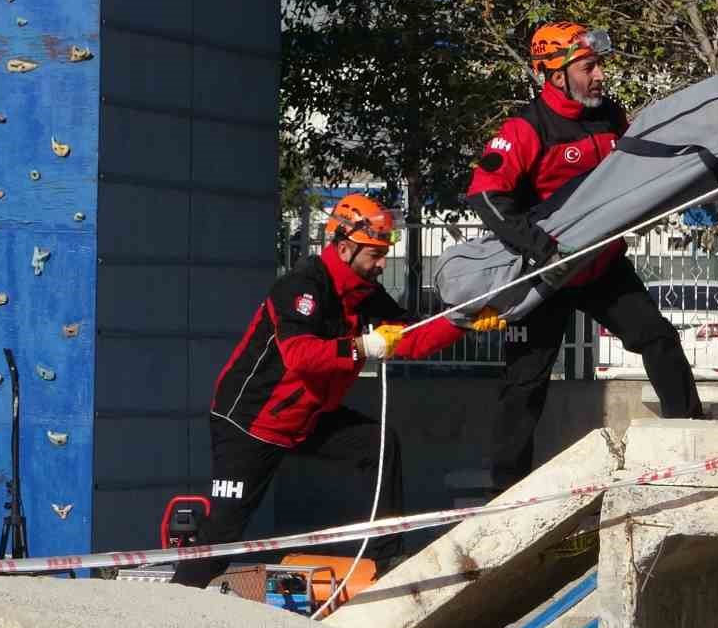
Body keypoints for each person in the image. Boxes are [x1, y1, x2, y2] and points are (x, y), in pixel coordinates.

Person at [175, 194, 507, 588]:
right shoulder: (302, 287)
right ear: (345, 246)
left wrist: (462, 323)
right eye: (375, 254)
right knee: (222, 539)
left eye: (385, 253)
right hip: (250, 423)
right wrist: (363, 347)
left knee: (380, 445)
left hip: (308, 415)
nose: (383, 264)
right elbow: (300, 356)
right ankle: (170, 607)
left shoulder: (363, 290)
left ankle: (388, 557)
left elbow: (409, 337)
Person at [465, 21, 703, 493]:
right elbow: (485, 195)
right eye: (589, 67)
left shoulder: (610, 115)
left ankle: (695, 433)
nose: (600, 76)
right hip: (545, 274)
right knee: (523, 384)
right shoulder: (526, 128)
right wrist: (540, 249)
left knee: (657, 338)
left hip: (600, 265)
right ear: (555, 75)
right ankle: (505, 495)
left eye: (599, 66)